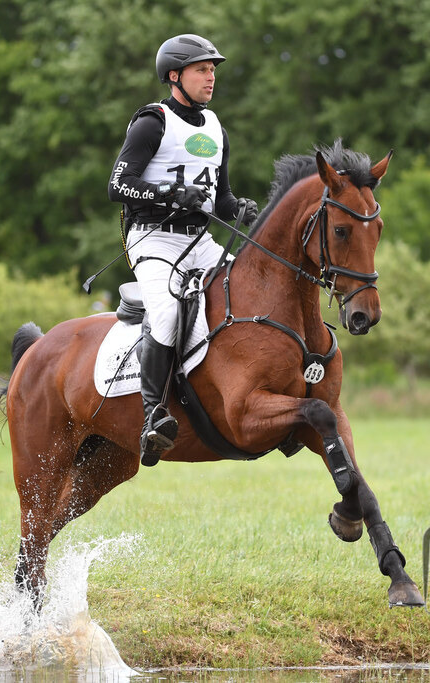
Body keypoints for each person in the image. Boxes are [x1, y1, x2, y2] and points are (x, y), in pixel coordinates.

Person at [107, 33, 258, 468]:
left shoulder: (216, 129)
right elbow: (117, 185)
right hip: (153, 239)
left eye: (212, 70)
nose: (211, 78)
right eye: (201, 70)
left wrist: (239, 208)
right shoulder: (151, 122)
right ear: (174, 76)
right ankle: (153, 416)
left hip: (201, 242)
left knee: (250, 293)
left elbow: (220, 199)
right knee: (168, 315)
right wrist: (170, 194)